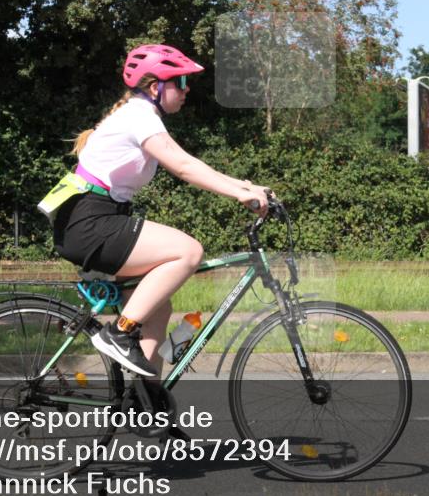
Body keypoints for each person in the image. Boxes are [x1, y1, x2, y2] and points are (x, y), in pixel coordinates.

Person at [42, 44, 271, 378]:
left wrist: (245, 187)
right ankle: (119, 334)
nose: (186, 88)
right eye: (179, 82)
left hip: (97, 219)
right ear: (155, 87)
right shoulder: (139, 116)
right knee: (188, 251)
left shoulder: (140, 115)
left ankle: (147, 406)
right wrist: (240, 193)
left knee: (158, 310)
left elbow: (191, 163)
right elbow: (183, 167)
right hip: (91, 221)